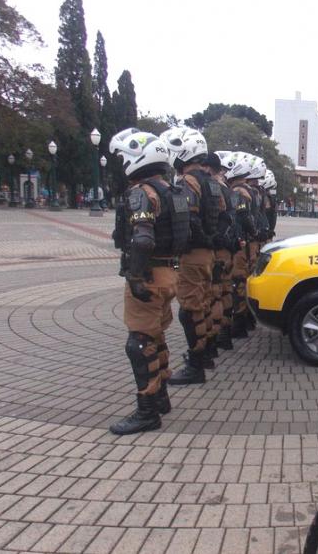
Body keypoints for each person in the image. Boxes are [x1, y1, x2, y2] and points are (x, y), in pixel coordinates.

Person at [108, 128, 190, 435]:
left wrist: (135, 276)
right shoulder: (172, 191)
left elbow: (142, 240)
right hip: (170, 272)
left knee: (139, 342)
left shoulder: (142, 193)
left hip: (151, 273)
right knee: (156, 337)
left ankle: (147, 411)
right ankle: (161, 396)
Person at [160, 127, 220, 383]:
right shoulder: (212, 183)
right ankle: (204, 355)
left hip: (193, 253)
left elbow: (188, 219)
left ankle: (195, 366)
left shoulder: (187, 182)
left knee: (190, 310)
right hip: (209, 253)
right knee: (203, 306)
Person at [203, 151, 239, 354]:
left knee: (213, 295)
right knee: (225, 291)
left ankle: (213, 341)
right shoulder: (228, 190)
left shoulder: (214, 188)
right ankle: (223, 334)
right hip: (228, 246)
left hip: (216, 248)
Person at [225, 153, 259, 338]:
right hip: (249, 244)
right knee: (244, 281)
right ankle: (246, 320)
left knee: (238, 282)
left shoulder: (239, 192)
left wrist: (249, 234)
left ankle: (239, 325)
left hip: (242, 246)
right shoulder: (251, 190)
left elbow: (243, 216)